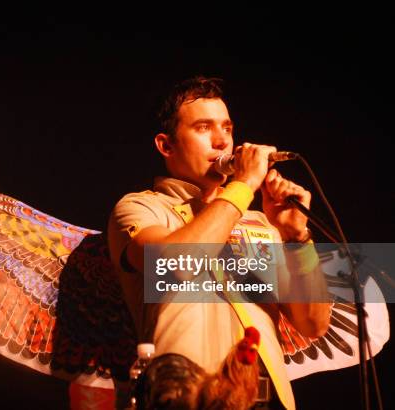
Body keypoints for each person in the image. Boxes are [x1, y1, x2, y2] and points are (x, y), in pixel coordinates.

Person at [107, 76, 332, 409]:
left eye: (227, 129)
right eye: (203, 128)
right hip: (186, 398)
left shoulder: (258, 223)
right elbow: (176, 264)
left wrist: (295, 237)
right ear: (166, 145)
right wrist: (243, 186)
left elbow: (313, 323)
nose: (221, 142)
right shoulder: (142, 208)